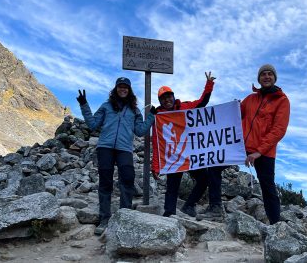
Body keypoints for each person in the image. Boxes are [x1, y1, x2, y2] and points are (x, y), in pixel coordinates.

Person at [77, 77, 155, 235]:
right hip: (105, 147)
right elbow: (93, 124)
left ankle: (124, 216)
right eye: (120, 87)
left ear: (129, 90)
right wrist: (84, 104)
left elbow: (139, 131)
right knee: (105, 182)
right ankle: (104, 218)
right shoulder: (106, 106)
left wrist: (152, 116)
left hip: (125, 148)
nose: (123, 89)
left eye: (126, 87)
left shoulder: (135, 111)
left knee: (127, 179)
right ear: (116, 89)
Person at [150, 72, 215, 217]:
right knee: (172, 187)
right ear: (160, 101)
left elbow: (201, 103)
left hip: (191, 153)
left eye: (169, 96)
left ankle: (189, 205)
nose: (167, 99)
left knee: (205, 178)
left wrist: (209, 84)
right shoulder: (158, 117)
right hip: (174, 155)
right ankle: (169, 214)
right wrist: (155, 165)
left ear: (173, 97)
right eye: (163, 98)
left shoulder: (185, 107)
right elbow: (156, 142)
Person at [241, 64, 290, 224]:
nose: (267, 76)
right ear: (259, 78)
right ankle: (214, 207)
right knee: (215, 166)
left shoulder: (282, 101)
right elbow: (233, 117)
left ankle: (276, 226)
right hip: (241, 146)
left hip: (264, 151)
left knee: (268, 187)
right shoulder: (249, 99)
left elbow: (279, 130)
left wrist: (259, 151)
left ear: (275, 78)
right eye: (263, 74)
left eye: (270, 74)